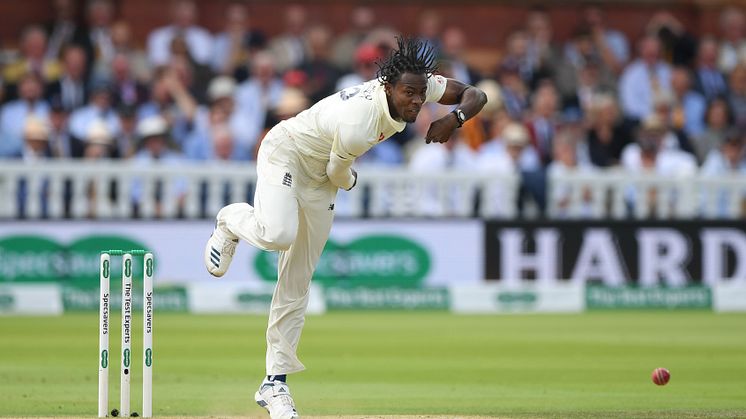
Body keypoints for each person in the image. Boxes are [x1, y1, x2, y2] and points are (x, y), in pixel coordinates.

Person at [202, 37, 486, 419]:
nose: (417, 103)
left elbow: (475, 94)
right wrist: (352, 182)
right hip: (287, 153)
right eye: (409, 94)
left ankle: (275, 383)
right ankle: (231, 219)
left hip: (321, 177)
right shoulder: (360, 123)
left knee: (297, 280)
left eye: (421, 95)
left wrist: (454, 119)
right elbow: (339, 172)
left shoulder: (417, 85)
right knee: (277, 235)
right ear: (388, 88)